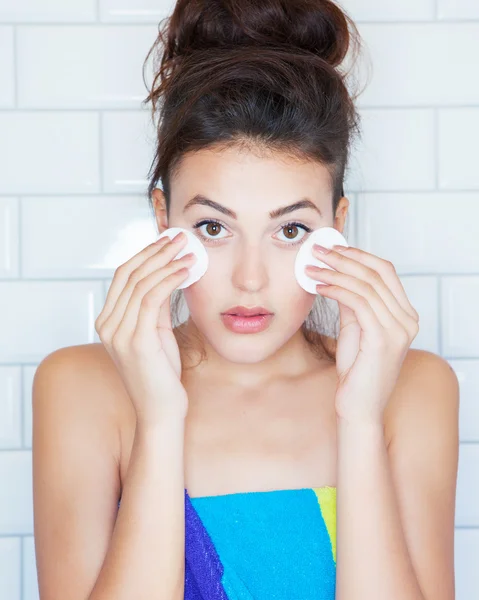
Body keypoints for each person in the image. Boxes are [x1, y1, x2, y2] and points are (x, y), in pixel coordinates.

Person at [31, 1, 459, 599]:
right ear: (163, 220)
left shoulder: (411, 387)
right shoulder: (81, 387)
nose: (250, 279)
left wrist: (360, 421)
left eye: (290, 230)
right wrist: (159, 421)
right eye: (213, 227)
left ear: (337, 225)